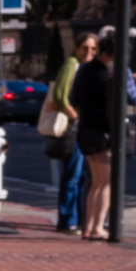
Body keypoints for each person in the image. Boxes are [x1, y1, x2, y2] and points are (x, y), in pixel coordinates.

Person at [73, 32, 118, 240]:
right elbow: (113, 104)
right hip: (102, 132)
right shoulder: (106, 75)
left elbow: (74, 98)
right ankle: (97, 227)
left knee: (95, 183)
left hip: (86, 130)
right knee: (105, 182)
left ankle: (89, 227)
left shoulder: (85, 70)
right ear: (108, 54)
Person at [51, 32, 94, 233]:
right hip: (74, 127)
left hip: (85, 127)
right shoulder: (72, 64)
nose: (89, 52)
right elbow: (60, 96)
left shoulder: (88, 68)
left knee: (83, 176)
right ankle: (67, 220)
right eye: (85, 48)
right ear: (76, 48)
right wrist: (76, 118)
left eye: (93, 49)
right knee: (72, 175)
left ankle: (79, 219)